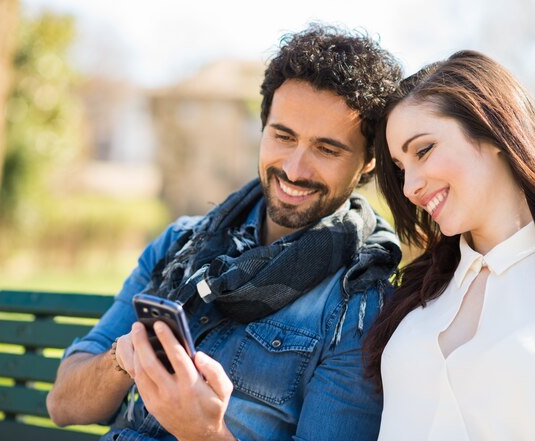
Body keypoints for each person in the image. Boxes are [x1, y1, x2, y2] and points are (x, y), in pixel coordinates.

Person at [46, 24, 403, 441]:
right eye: (283, 136)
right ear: (263, 126)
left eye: (327, 149)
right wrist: (124, 359)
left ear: (368, 163)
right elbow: (63, 405)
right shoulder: (181, 243)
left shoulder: (358, 304)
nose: (294, 169)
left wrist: (203, 432)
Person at [364, 50, 535, 441]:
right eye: (400, 168)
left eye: (424, 150)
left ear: (492, 130)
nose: (410, 186)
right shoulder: (416, 294)